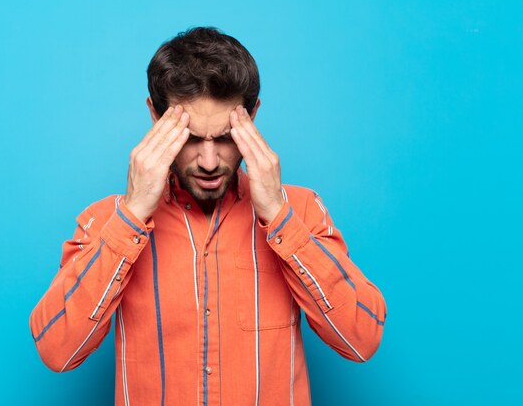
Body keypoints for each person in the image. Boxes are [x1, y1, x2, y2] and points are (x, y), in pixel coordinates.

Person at [29, 26, 386, 406]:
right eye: (192, 138)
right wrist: (132, 215)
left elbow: (361, 339)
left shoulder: (301, 211)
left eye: (227, 137)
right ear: (155, 116)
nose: (210, 162)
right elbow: (58, 351)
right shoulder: (106, 222)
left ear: (253, 116)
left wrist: (279, 218)